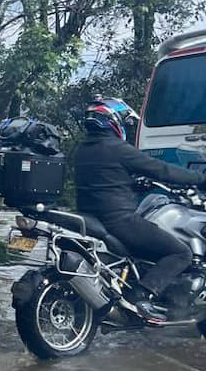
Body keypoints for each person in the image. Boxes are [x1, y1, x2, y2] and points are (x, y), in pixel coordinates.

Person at [73, 96, 206, 322]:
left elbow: (104, 181)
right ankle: (142, 295)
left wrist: (133, 183)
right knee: (180, 252)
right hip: (119, 221)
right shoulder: (119, 149)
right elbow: (162, 170)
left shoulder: (81, 150)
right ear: (113, 120)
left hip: (91, 217)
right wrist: (199, 179)